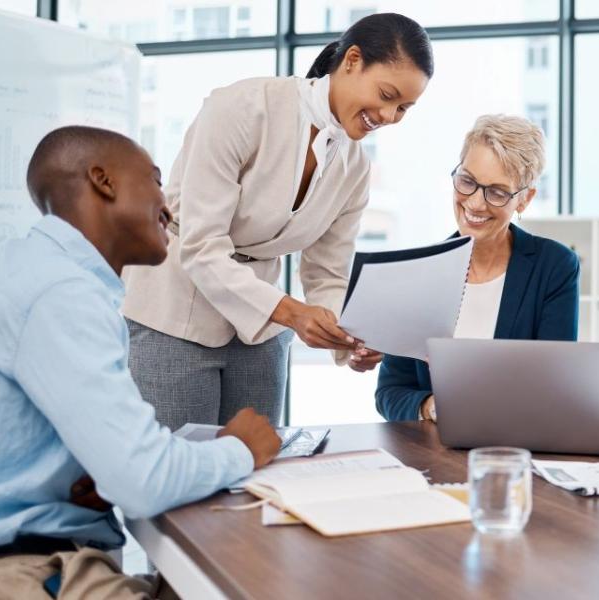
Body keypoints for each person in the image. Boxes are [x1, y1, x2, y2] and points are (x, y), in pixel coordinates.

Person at [0, 126, 281, 599]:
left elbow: (123, 464)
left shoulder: (51, 276)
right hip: (17, 577)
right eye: (154, 180)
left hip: (33, 564)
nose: (168, 206)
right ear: (102, 181)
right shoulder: (61, 294)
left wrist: (86, 472)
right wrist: (241, 448)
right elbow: (143, 480)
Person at [120, 13, 433, 431]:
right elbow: (201, 246)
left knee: (258, 472)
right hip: (175, 307)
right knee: (175, 472)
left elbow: (326, 274)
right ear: (353, 60)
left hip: (261, 326)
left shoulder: (355, 167)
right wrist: (292, 312)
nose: (390, 116)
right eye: (387, 95)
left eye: (404, 109)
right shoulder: (242, 108)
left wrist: (350, 339)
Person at [375, 115, 580, 421]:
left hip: (516, 449)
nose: (475, 204)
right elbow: (390, 392)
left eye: (497, 192)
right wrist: (431, 406)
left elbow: (555, 384)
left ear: (524, 200)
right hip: (435, 452)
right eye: (467, 181)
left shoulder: (554, 267)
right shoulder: (420, 271)